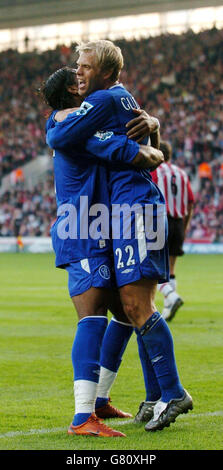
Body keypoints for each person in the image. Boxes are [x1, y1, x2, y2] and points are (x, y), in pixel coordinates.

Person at [47, 40, 193, 433]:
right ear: (69, 100)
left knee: (132, 308)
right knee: (117, 312)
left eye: (85, 67)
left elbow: (147, 157)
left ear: (104, 73)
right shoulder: (75, 122)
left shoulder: (104, 106)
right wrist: (149, 142)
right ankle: (96, 409)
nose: (80, 73)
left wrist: (153, 138)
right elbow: (143, 155)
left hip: (120, 217)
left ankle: (155, 394)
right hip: (89, 225)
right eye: (76, 72)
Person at [151, 141, 194, 321]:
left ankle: (171, 296)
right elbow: (191, 201)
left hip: (161, 221)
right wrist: (184, 226)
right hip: (178, 222)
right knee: (171, 268)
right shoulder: (181, 173)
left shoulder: (155, 172)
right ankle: (168, 309)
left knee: (153, 267)